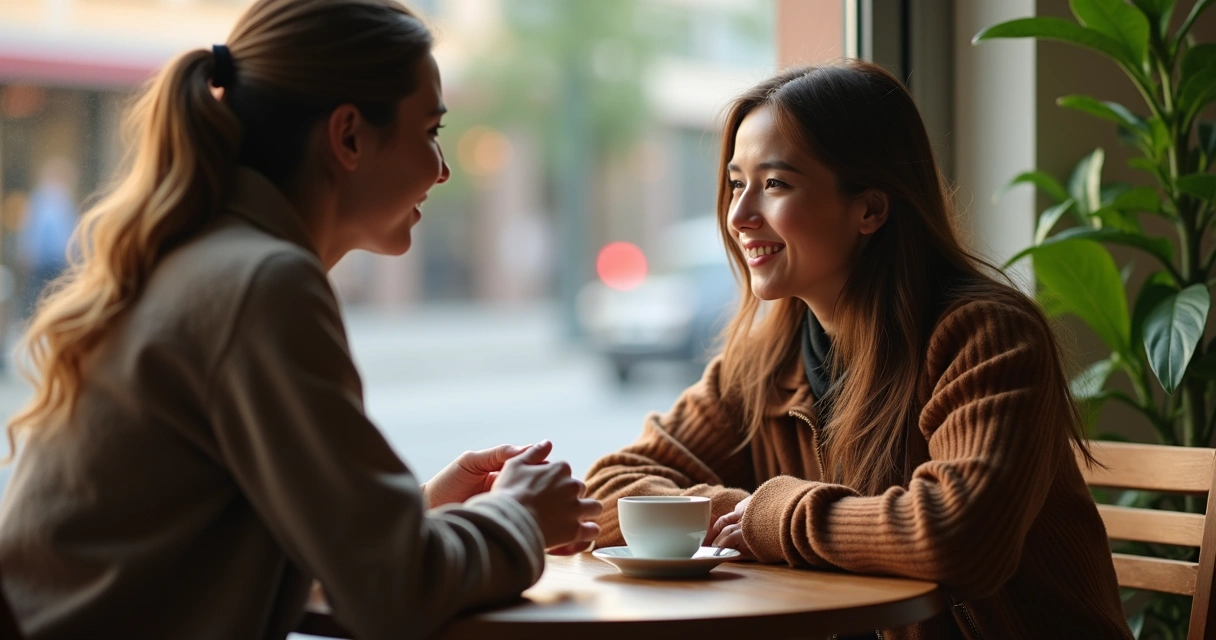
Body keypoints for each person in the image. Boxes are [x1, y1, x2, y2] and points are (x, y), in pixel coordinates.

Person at [0, 1, 600, 639]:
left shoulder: (206, 260)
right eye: (429, 132)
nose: (442, 169)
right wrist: (519, 517)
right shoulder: (263, 283)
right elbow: (392, 592)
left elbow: (277, 551)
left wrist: (413, 516)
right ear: (347, 136)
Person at [584, 61, 1132, 639]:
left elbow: (959, 536)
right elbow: (608, 486)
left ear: (870, 208)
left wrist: (773, 517)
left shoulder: (985, 337)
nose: (740, 217)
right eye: (736, 184)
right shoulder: (765, 362)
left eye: (774, 184)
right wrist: (735, 513)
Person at [16, 156, 77, 317]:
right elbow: (36, 236)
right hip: (47, 264)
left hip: (52, 263)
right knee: (43, 302)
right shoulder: (47, 200)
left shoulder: (53, 200)